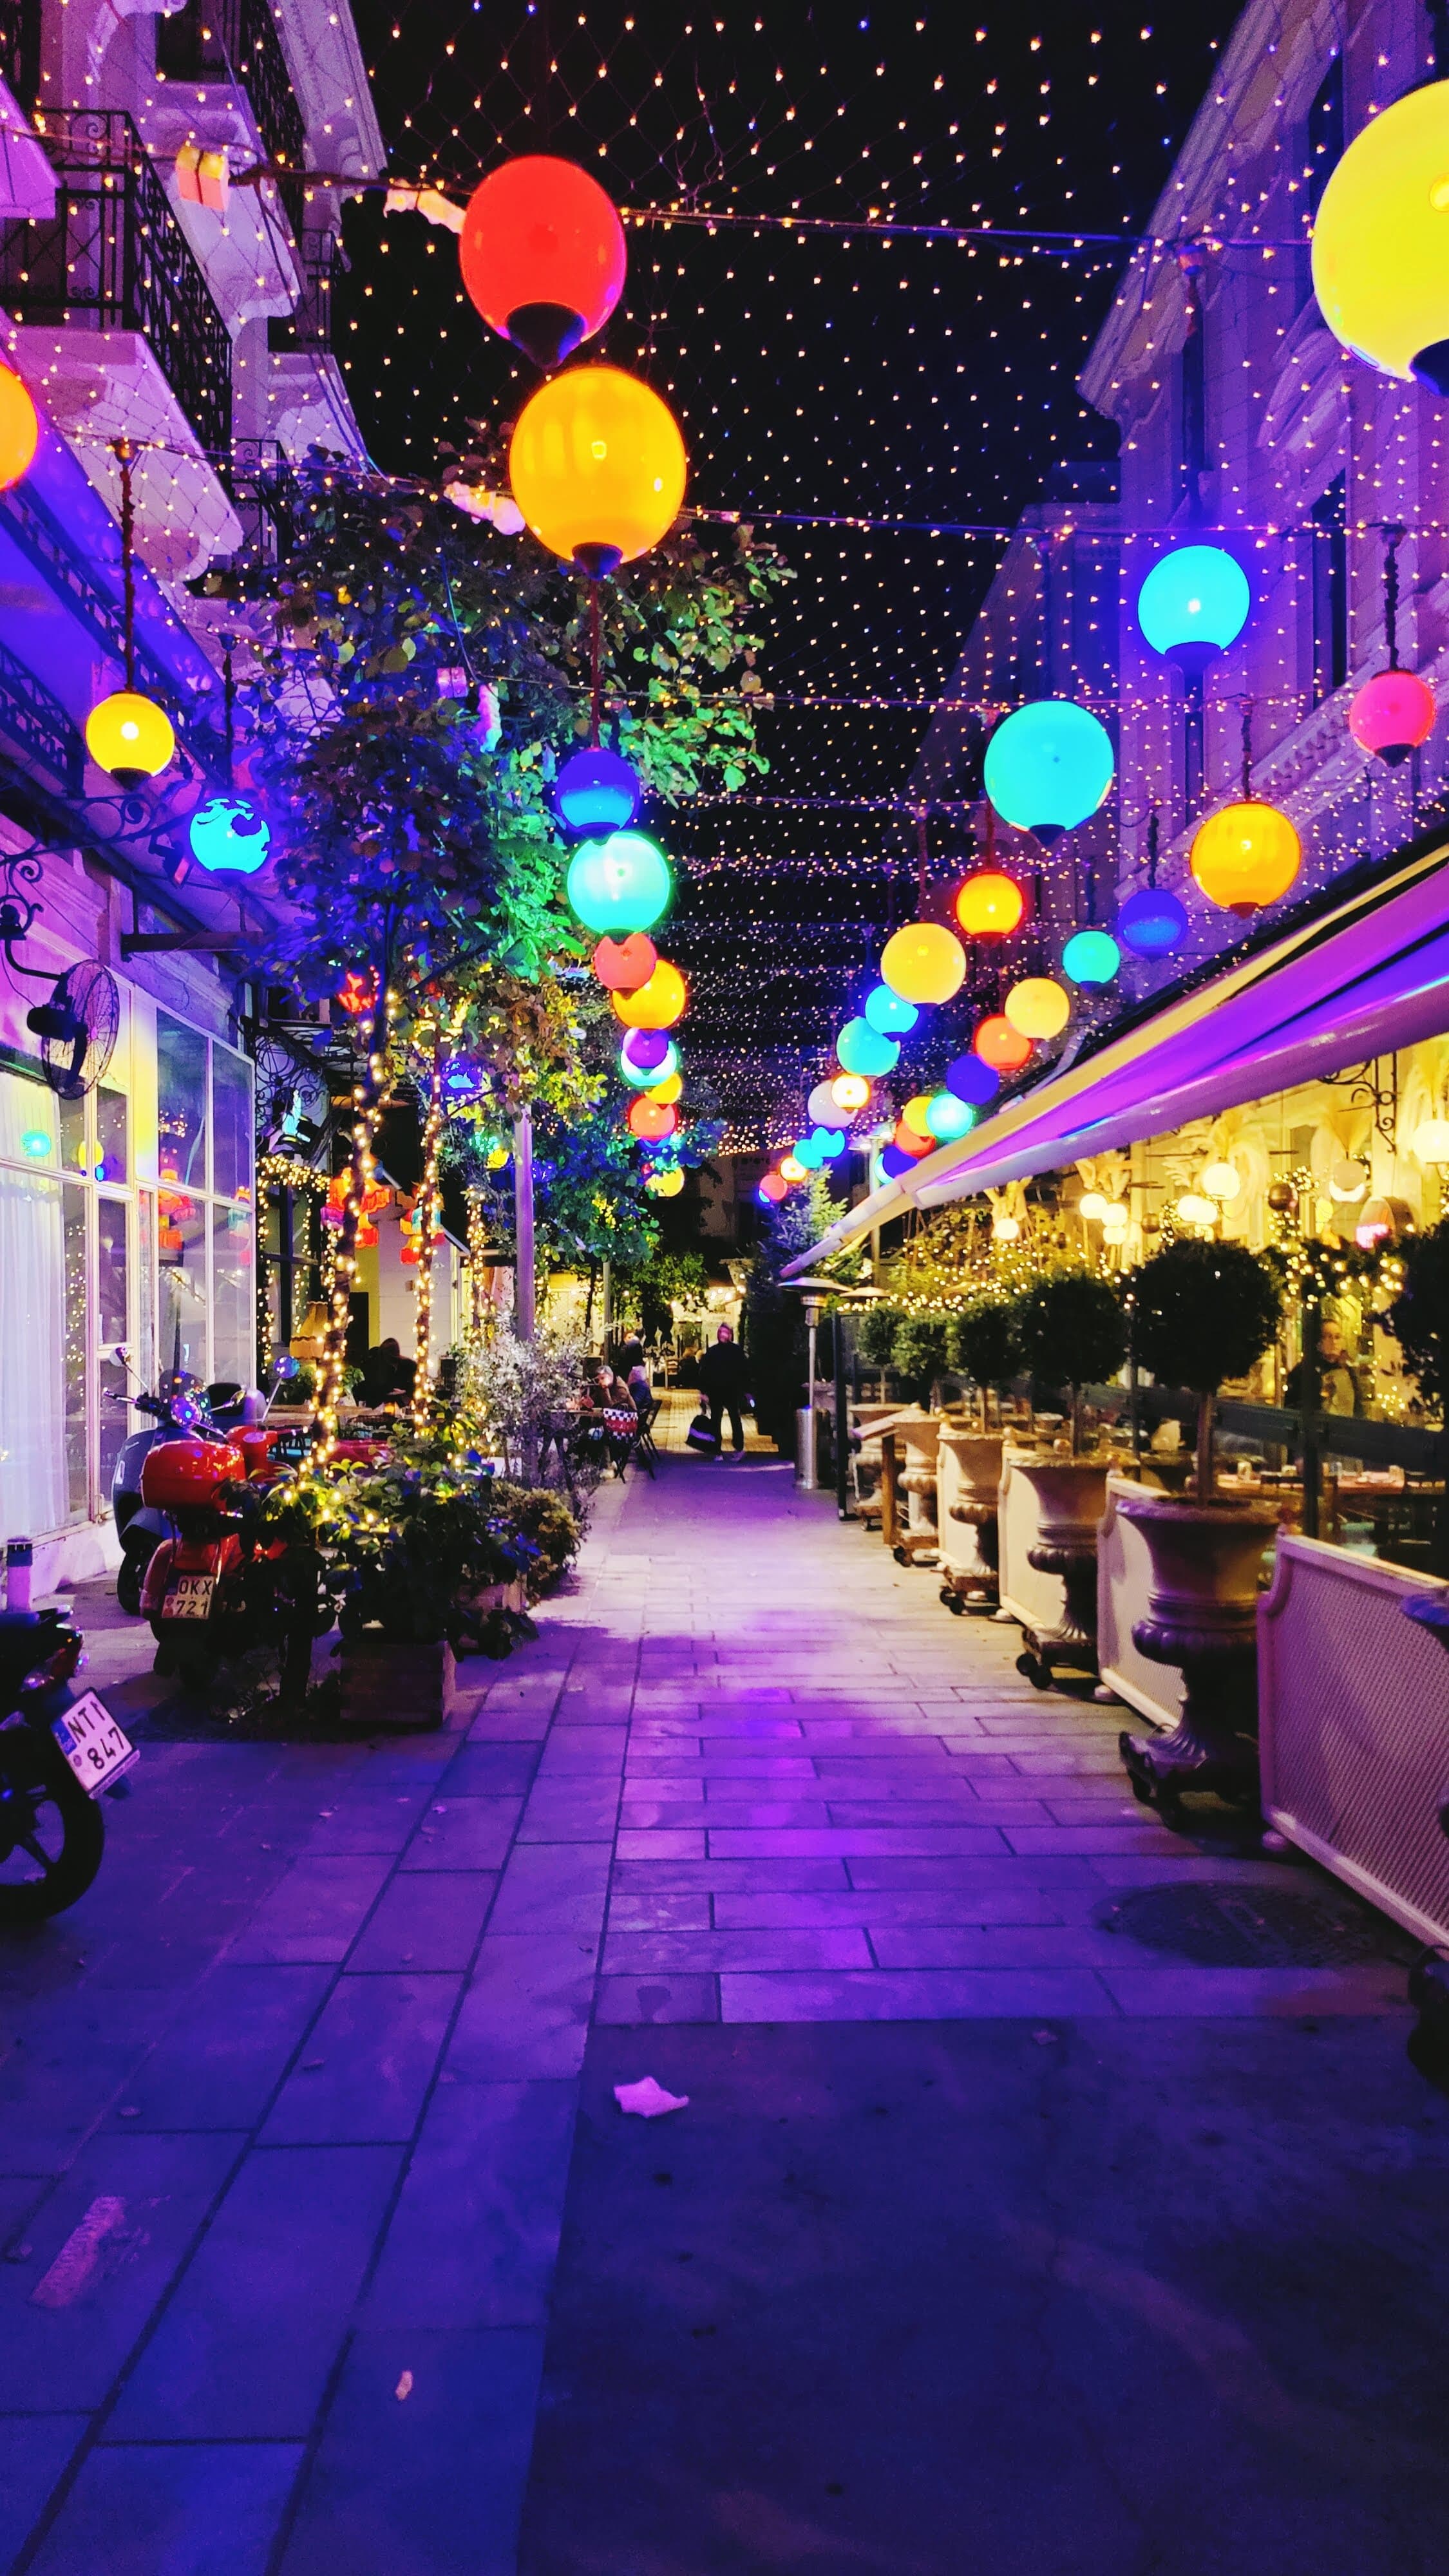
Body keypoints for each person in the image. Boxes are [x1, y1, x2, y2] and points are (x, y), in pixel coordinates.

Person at [697, 1322, 749, 1457]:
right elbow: (705, 1373)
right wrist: (703, 1392)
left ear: (730, 1335)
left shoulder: (731, 1351)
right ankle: (718, 1449)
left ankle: (737, 1447)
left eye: (724, 1333)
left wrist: (743, 1390)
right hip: (718, 1391)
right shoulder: (716, 1351)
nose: (722, 1335)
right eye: (721, 1333)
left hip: (730, 1391)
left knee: (733, 1419)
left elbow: (743, 1371)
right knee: (718, 1420)